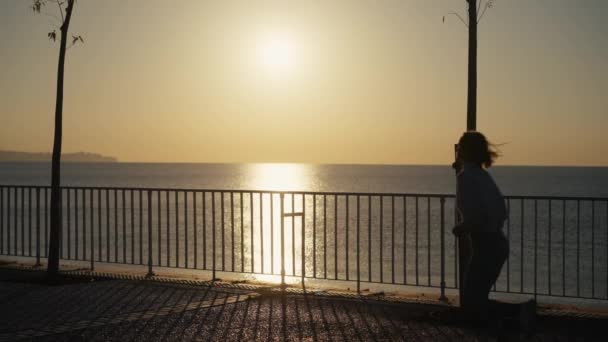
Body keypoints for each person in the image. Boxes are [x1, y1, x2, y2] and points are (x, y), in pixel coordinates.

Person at [453, 131, 536, 334]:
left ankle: (516, 317)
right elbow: (499, 210)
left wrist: (461, 227)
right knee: (478, 296)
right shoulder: (481, 175)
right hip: (496, 242)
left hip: (485, 244)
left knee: (473, 298)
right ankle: (511, 322)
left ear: (463, 150)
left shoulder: (466, 177)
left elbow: (474, 217)